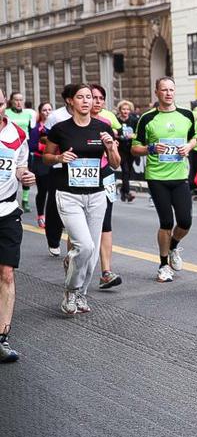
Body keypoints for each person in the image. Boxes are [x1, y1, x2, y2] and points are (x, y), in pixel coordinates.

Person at [44, 84, 120, 315]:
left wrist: (110, 147)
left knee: (93, 250)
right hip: (69, 195)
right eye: (81, 97)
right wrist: (59, 156)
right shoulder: (60, 129)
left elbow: (116, 163)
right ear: (71, 101)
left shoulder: (103, 128)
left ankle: (80, 294)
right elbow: (46, 157)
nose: (87, 101)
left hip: (97, 195)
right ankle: (70, 290)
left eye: (90, 97)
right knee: (84, 246)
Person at [132, 77, 197, 283]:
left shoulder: (187, 115)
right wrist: (151, 148)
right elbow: (135, 148)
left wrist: (188, 147)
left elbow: (193, 138)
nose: (168, 93)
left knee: (185, 222)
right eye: (164, 90)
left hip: (180, 176)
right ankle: (163, 265)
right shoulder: (147, 118)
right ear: (157, 93)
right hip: (157, 177)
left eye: (171, 90)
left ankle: (174, 246)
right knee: (167, 222)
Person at [0, 89, 35, 362]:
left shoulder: (18, 135)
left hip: (7, 209)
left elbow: (20, 167)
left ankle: (2, 338)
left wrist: (26, 176)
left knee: (7, 274)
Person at [41, 84, 82, 258]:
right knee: (55, 204)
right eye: (78, 96)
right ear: (69, 100)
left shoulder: (86, 114)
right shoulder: (56, 116)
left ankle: (77, 240)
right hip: (59, 166)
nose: (83, 100)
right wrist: (61, 144)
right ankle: (53, 239)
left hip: (81, 167)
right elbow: (44, 137)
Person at [90, 84, 123, 290]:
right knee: (82, 226)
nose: (97, 101)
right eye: (93, 97)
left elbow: (116, 160)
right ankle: (73, 265)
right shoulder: (69, 124)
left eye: (101, 98)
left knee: (106, 223)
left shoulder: (106, 123)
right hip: (82, 179)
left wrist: (112, 148)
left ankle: (106, 272)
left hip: (105, 174)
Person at [5, 93, 35, 213]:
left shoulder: (29, 113)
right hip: (10, 147)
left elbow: (32, 131)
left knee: (25, 172)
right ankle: (10, 198)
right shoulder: (6, 112)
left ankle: (25, 199)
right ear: (11, 101)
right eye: (16, 100)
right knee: (11, 174)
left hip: (25, 146)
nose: (18, 102)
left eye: (21, 100)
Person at [28, 103, 53, 229]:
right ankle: (40, 216)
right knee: (43, 191)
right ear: (40, 112)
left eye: (49, 109)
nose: (47, 112)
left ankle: (54, 218)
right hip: (40, 162)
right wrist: (47, 148)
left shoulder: (57, 127)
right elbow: (32, 146)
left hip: (55, 163)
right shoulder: (36, 128)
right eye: (44, 110)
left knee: (54, 192)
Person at [115, 100, 139, 202]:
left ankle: (123, 191)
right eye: (123, 109)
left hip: (131, 149)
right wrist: (117, 136)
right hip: (120, 149)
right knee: (125, 170)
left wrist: (132, 136)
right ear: (120, 110)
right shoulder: (116, 120)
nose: (125, 111)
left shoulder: (133, 120)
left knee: (128, 170)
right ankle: (127, 192)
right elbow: (112, 132)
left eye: (127, 109)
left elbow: (138, 133)